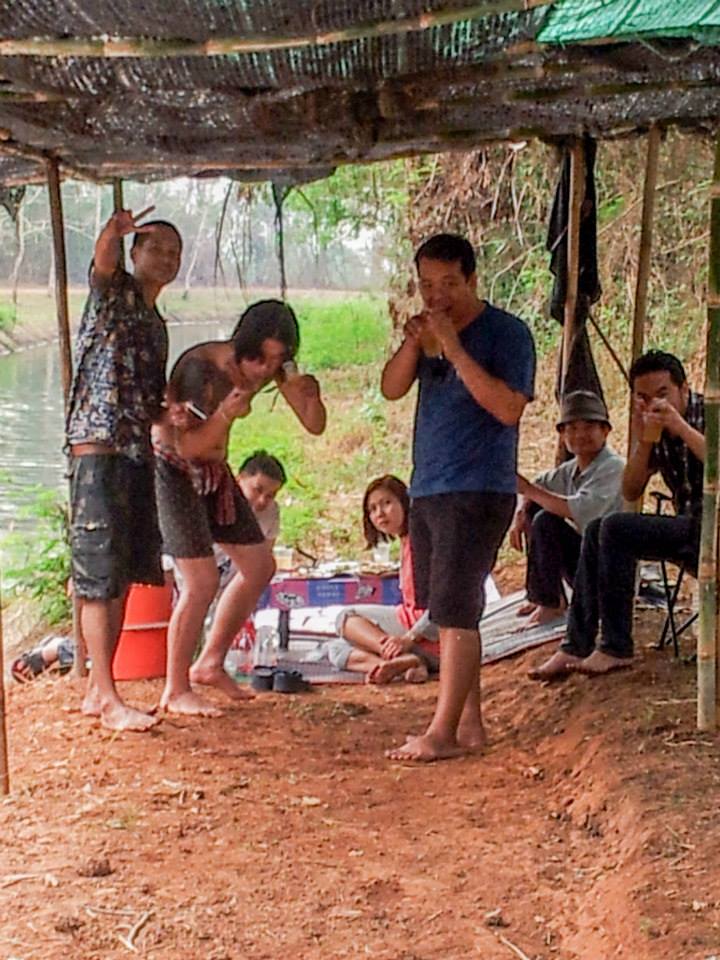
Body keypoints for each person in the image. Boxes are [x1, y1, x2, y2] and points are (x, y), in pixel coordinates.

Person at [380, 233, 536, 761]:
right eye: (426, 285)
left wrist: (453, 345)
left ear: (472, 278)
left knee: (459, 612)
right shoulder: (428, 333)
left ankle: (442, 732)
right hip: (429, 486)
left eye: (448, 283)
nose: (437, 294)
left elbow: (509, 408)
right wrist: (414, 341)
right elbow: (391, 389)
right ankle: (469, 725)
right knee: (449, 613)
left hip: (479, 487)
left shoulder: (506, 333)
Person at [153, 300, 326, 717]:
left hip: (214, 469)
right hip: (175, 467)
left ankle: (210, 661)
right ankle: (175, 687)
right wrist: (227, 414)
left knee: (259, 565)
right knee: (200, 581)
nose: (266, 370)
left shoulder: (273, 367)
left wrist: (311, 396)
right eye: (260, 359)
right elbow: (186, 444)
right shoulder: (202, 370)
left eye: (277, 360)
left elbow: (314, 423)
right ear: (242, 346)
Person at [66, 206, 182, 731]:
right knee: (98, 574)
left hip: (135, 449)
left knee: (123, 572)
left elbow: (150, 398)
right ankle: (106, 694)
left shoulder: (157, 325)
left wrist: (168, 413)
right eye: (154, 247)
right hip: (98, 446)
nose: (164, 258)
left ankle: (99, 688)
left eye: (173, 252)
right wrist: (110, 233)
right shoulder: (114, 294)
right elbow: (102, 266)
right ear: (135, 254)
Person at [529, 350, 704, 680]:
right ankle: (575, 645)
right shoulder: (657, 430)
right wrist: (645, 441)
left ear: (684, 389)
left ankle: (615, 646)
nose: (654, 403)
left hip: (712, 530)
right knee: (599, 529)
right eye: (644, 397)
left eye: (663, 394)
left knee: (613, 527)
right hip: (688, 529)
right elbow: (632, 489)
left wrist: (679, 427)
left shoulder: (707, 413)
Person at [511, 390, 625, 628]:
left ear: (605, 431)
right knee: (534, 511)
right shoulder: (572, 468)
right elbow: (539, 484)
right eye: (571, 428)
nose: (580, 434)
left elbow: (575, 509)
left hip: (608, 569)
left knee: (546, 520)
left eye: (589, 427)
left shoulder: (613, 468)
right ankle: (544, 595)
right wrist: (521, 513)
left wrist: (529, 491)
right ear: (562, 435)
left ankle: (551, 603)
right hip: (586, 562)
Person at [327, 475, 439, 683]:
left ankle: (404, 656)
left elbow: (444, 602)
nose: (380, 513)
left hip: (432, 637)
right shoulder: (407, 541)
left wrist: (408, 639)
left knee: (345, 617)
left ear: (404, 502)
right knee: (336, 649)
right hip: (410, 626)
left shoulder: (422, 543)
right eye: (373, 509)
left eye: (387, 503)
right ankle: (404, 664)